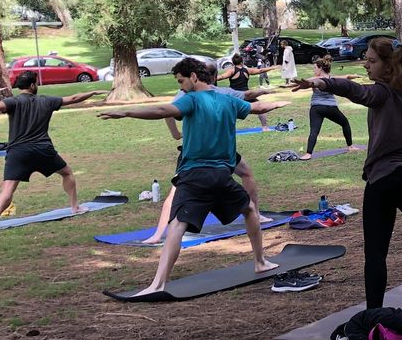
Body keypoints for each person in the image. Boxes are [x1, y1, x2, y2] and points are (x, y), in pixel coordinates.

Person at [289, 38, 402, 307]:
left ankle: (374, 313)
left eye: (372, 61)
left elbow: (352, 90)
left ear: (389, 66)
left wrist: (320, 82)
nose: (365, 64)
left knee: (376, 252)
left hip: (382, 181)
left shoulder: (381, 93)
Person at [98, 58, 289, 296]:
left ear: (194, 77)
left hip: (195, 175)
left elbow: (161, 110)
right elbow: (257, 108)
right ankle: (260, 262)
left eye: (181, 81)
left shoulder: (190, 100)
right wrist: (281, 102)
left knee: (177, 224)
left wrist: (126, 111)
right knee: (249, 209)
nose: (181, 87)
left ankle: (157, 285)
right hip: (221, 176)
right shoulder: (228, 99)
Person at [0, 71, 100, 234]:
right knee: (67, 173)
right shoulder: (47, 100)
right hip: (43, 150)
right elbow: (72, 99)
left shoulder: (13, 102)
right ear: (33, 85)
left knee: (8, 189)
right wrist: (91, 92)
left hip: (19, 152)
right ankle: (75, 207)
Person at [142, 66, 275, 245]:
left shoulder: (216, 92)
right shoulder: (193, 93)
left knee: (245, 173)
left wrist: (175, 133)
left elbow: (247, 98)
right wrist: (267, 92)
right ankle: (158, 235)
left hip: (221, 152)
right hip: (200, 153)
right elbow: (249, 97)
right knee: (177, 192)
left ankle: (256, 214)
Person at [300, 56, 354, 160]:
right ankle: (350, 146)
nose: (313, 70)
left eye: (315, 68)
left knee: (314, 131)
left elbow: (304, 83)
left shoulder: (314, 79)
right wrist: (355, 75)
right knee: (345, 123)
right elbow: (346, 77)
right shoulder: (332, 78)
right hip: (331, 108)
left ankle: (308, 154)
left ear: (320, 68)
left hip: (316, 108)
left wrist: (287, 86)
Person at [215, 53, 275, 129]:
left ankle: (226, 129)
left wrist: (208, 79)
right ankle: (265, 127)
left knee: (227, 111)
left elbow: (222, 77)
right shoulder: (247, 70)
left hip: (235, 95)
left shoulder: (232, 71)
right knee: (260, 108)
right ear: (242, 61)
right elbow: (260, 70)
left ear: (233, 63)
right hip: (247, 95)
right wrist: (272, 68)